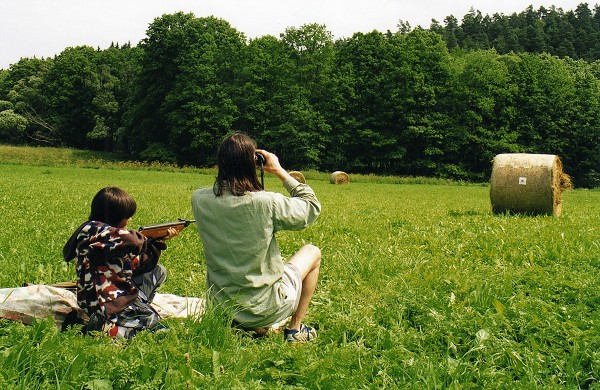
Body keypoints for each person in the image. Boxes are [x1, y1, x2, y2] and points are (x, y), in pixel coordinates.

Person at [191, 132, 322, 342]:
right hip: (266, 308)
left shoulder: (199, 199)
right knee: (312, 252)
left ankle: (246, 326)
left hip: (223, 308)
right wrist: (279, 171)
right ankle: (295, 330)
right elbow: (311, 207)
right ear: (253, 163)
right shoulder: (266, 202)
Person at [63, 186, 178, 339]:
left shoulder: (109, 239)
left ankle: (128, 314)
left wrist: (156, 242)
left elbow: (139, 264)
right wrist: (146, 237)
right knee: (158, 328)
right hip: (104, 303)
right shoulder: (93, 229)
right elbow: (132, 240)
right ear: (114, 215)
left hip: (111, 299)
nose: (129, 220)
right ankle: (106, 329)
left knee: (158, 271)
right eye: (127, 216)